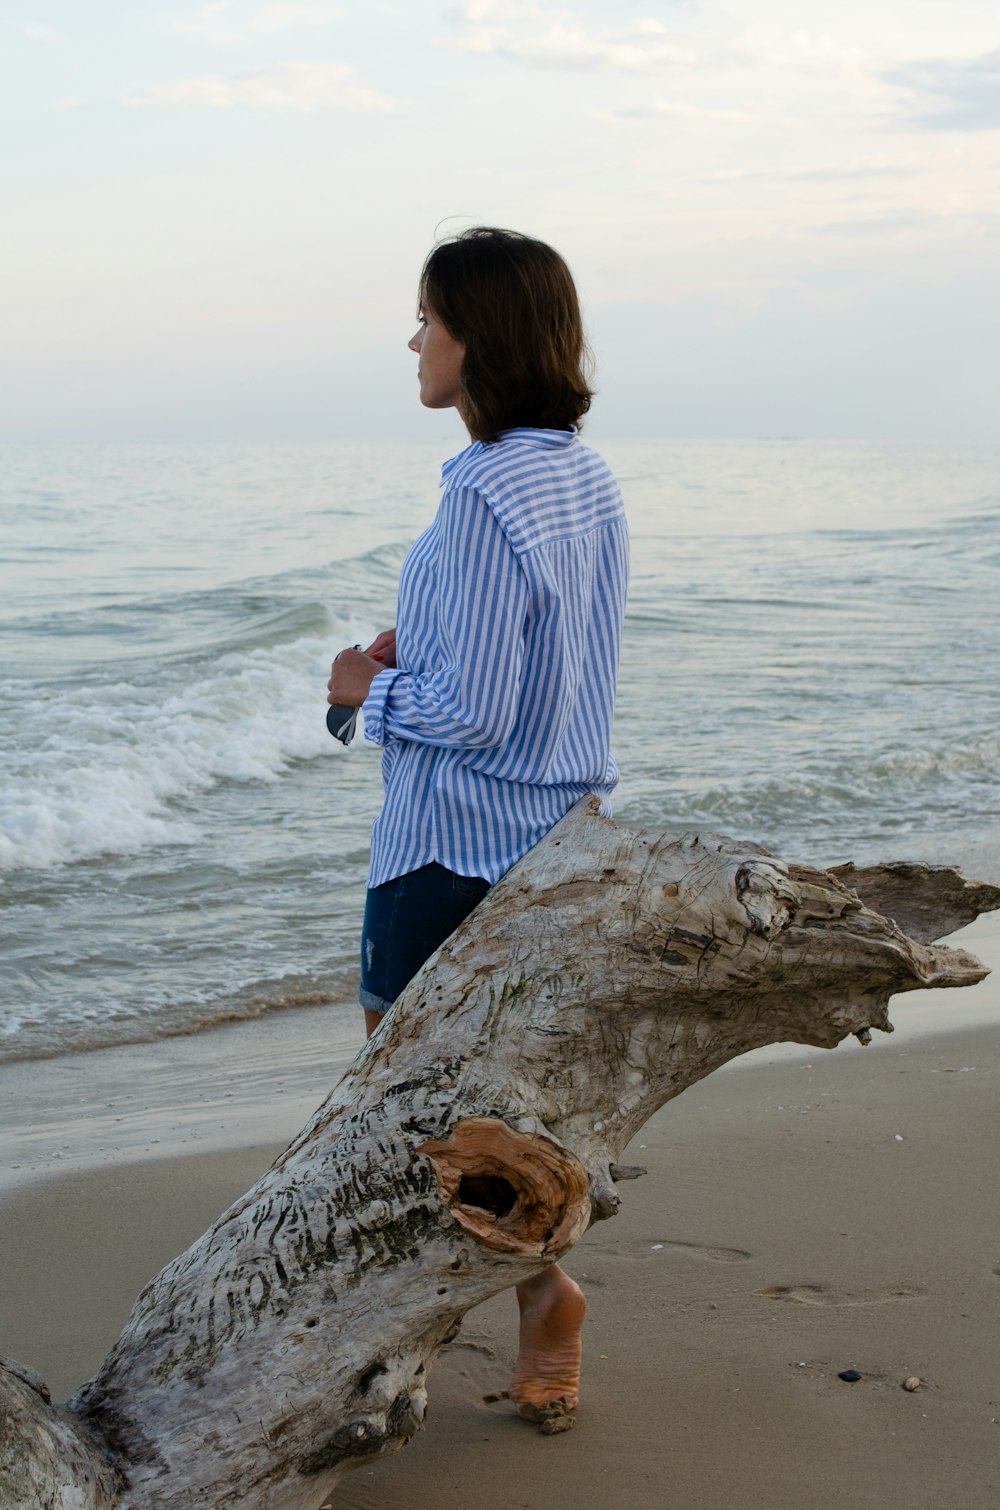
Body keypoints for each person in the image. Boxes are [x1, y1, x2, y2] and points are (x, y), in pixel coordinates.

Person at [327, 225, 628, 1421]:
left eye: (428, 321)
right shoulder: (579, 473)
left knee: (407, 1102)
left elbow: (479, 713)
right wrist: (426, 653)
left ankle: (466, 1309)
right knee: (499, 1097)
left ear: (478, 340)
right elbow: (556, 664)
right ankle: (536, 1306)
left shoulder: (484, 494)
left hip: (451, 845)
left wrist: (366, 687)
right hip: (558, 837)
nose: (412, 340)